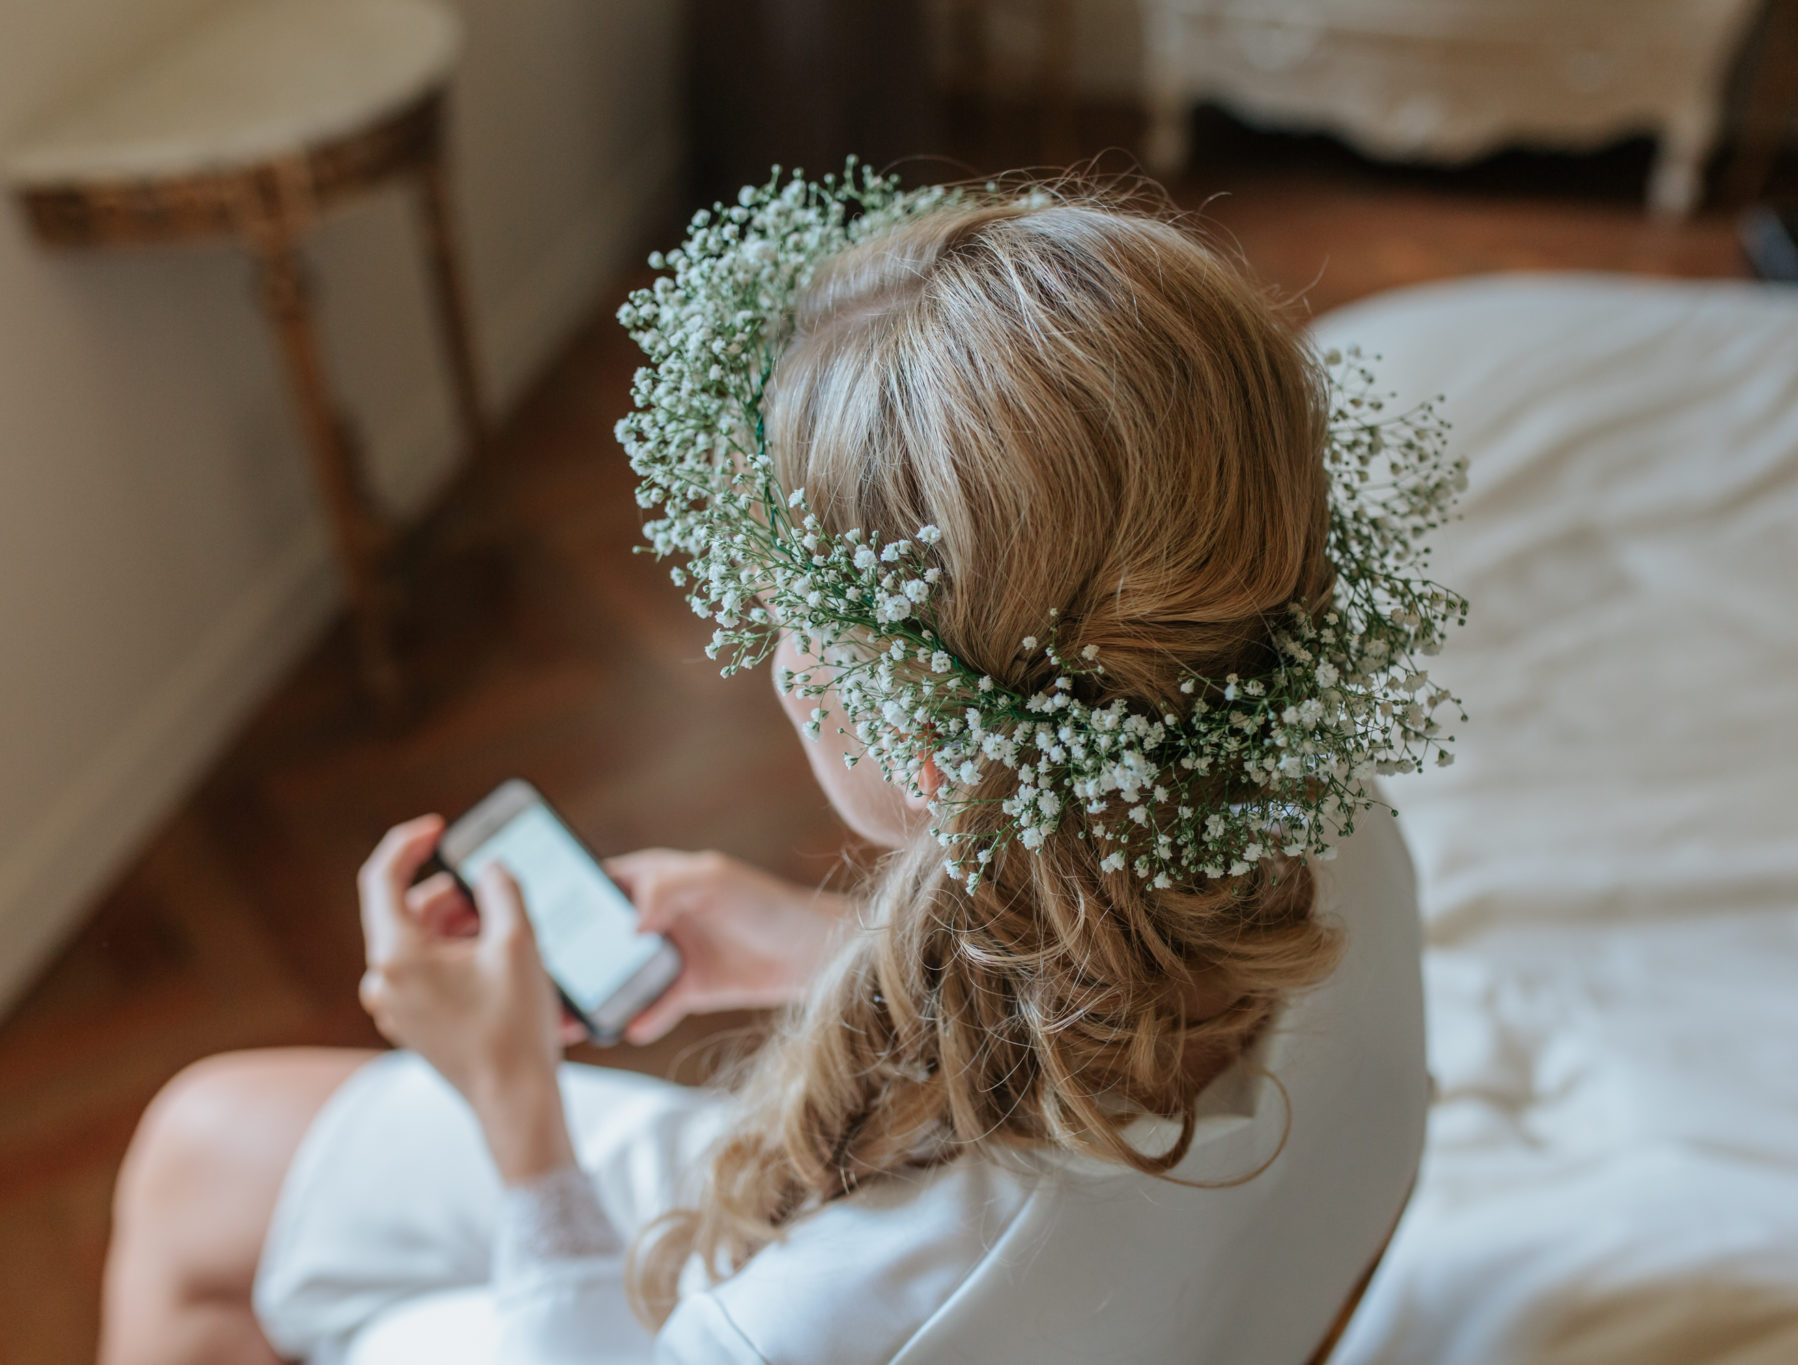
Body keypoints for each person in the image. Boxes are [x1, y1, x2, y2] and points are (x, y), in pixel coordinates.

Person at [99, 177, 1449, 1365]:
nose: (773, 658)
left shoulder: (865, 1290)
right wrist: (810, 943)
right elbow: (1122, 1004)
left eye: (794, 620)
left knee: (211, 1264)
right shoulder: (1307, 790)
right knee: (207, 1138)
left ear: (918, 733)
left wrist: (512, 1094)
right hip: (1182, 1297)